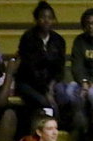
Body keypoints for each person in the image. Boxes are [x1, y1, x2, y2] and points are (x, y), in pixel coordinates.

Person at [16, 2, 81, 132]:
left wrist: (51, 86)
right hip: (28, 83)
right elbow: (30, 68)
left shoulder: (58, 40)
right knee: (45, 103)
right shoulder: (28, 38)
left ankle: (64, 126)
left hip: (50, 82)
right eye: (43, 17)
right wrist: (46, 91)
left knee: (65, 95)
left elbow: (59, 68)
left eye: (50, 17)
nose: (46, 20)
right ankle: (44, 131)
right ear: (36, 19)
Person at [70, 8, 93, 132]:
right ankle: (78, 128)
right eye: (88, 23)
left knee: (91, 94)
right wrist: (84, 82)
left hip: (92, 85)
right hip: (83, 82)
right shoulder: (79, 41)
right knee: (68, 92)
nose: (91, 26)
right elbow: (77, 65)